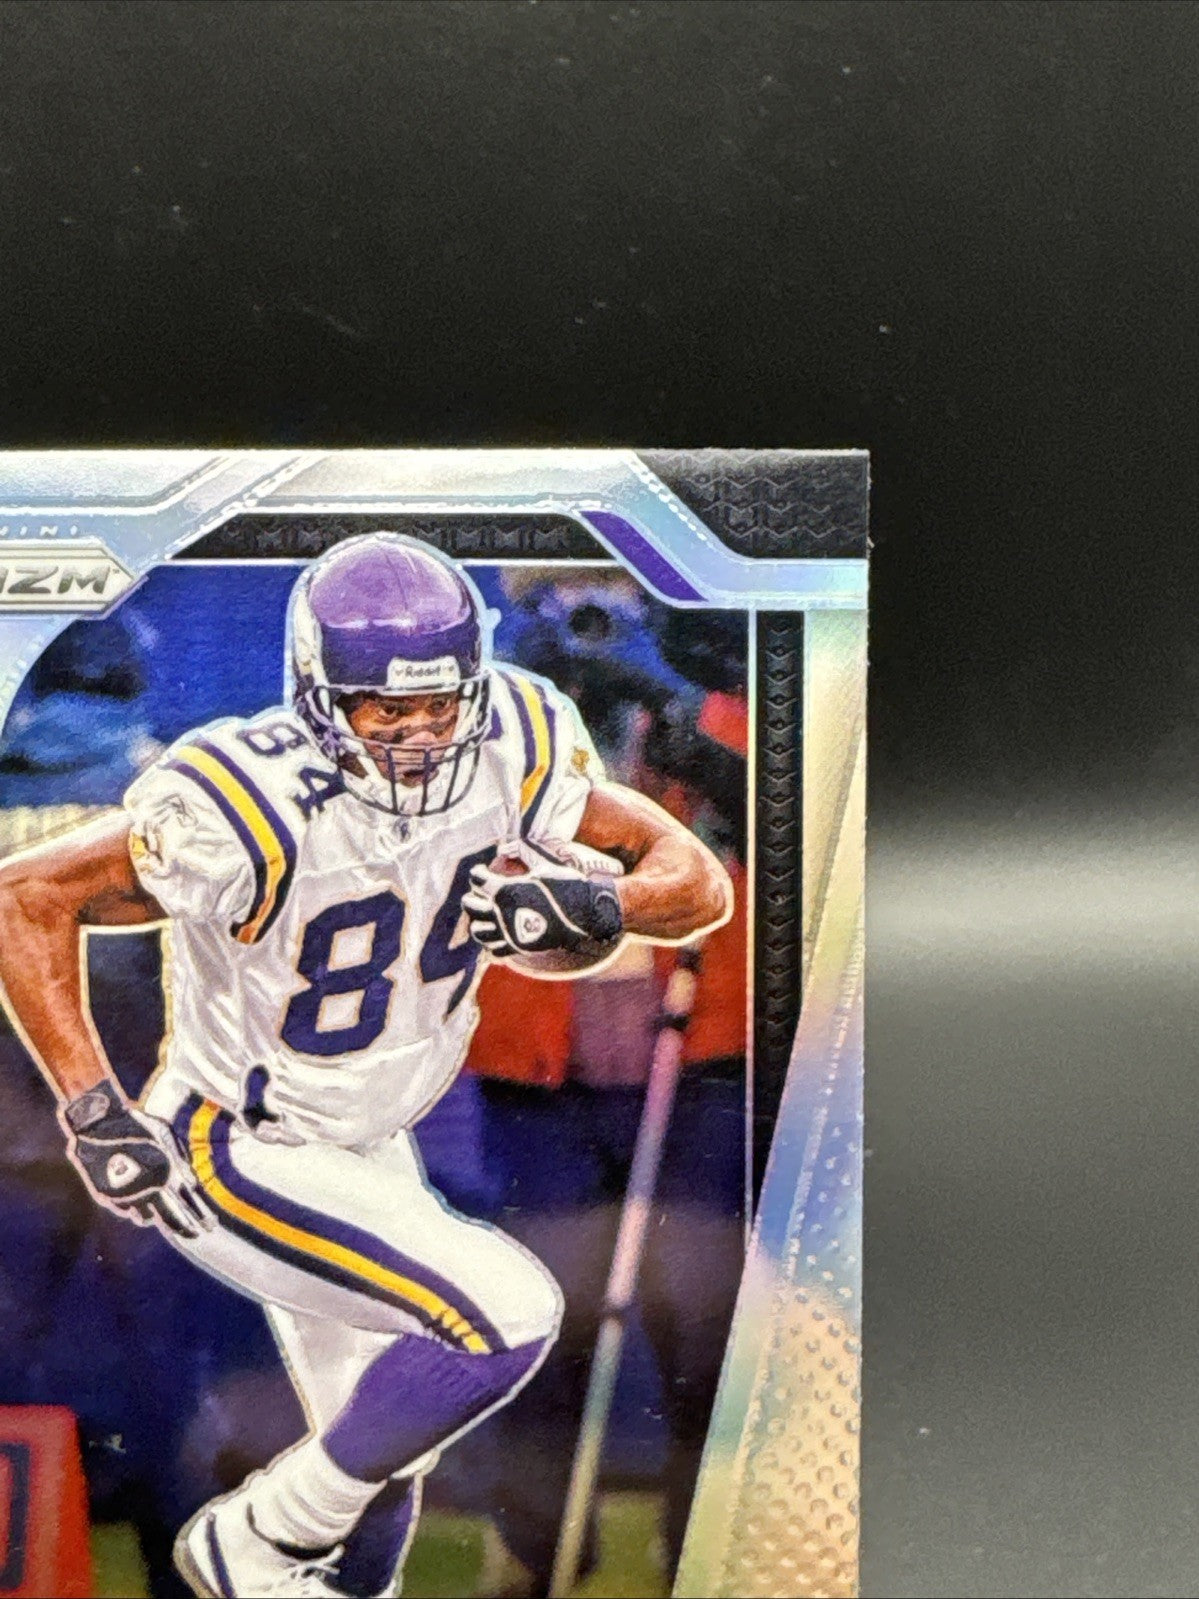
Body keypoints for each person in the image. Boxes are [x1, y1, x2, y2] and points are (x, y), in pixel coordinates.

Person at [0, 533, 731, 1599]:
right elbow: (27, 897)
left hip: (369, 1142)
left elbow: (694, 880)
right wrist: (94, 1109)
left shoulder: (513, 737)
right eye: (386, 709)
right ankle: (255, 1540)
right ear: (316, 696)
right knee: (507, 1312)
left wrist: (599, 903)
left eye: (438, 704)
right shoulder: (244, 796)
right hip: (236, 1141)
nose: (419, 733)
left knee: (382, 1448)